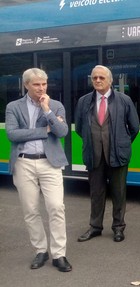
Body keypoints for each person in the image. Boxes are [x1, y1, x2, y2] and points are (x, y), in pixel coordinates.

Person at [5, 68, 72, 272]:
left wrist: (47, 110)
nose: (41, 88)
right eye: (36, 84)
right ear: (26, 85)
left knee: (56, 207)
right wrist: (45, 131)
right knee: (31, 210)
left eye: (44, 84)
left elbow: (62, 132)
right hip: (23, 163)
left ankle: (59, 254)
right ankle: (41, 251)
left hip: (50, 163)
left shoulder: (55, 105)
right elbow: (12, 134)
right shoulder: (13, 107)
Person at [75, 65, 140, 243]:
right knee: (96, 192)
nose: (97, 80)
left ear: (110, 80)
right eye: (94, 77)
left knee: (119, 193)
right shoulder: (83, 101)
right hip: (93, 155)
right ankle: (95, 227)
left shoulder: (124, 100)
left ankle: (118, 227)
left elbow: (135, 127)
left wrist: (122, 144)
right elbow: (79, 128)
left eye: (101, 78)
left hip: (117, 155)